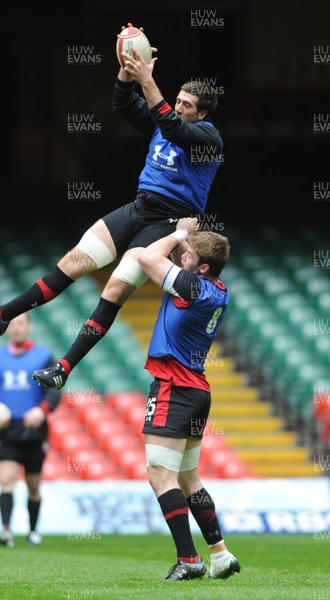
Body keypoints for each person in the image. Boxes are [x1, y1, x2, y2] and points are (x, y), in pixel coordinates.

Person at [0, 22, 223, 392]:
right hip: (137, 208)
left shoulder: (208, 136)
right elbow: (122, 103)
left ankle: (64, 367)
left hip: (166, 222)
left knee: (113, 291)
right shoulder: (168, 120)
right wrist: (127, 72)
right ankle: (1, 316)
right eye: (177, 100)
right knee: (73, 262)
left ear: (203, 114)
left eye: (187, 105)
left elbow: (173, 127)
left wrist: (148, 78)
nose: (178, 107)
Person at [135, 216, 240, 581]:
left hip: (173, 386)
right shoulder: (219, 289)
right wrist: (186, 241)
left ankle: (189, 560)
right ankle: (220, 554)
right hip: (197, 389)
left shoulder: (194, 287)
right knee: (188, 479)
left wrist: (179, 231)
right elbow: (166, 260)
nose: (182, 255)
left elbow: (146, 258)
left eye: (189, 254)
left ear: (203, 267)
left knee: (160, 477)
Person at [0, 313, 62, 547]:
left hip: (34, 428)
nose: (16, 328)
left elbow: (55, 388)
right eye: (11, 324)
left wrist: (42, 410)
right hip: (6, 428)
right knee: (7, 479)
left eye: (21, 323)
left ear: (29, 325)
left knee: (33, 485)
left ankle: (33, 531)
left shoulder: (43, 356)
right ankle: (5, 530)